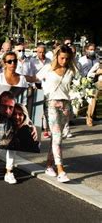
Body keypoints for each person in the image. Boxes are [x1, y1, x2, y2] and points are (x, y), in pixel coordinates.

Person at [36, 45, 77, 183]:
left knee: (58, 137)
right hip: (52, 104)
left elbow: (79, 84)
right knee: (58, 137)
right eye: (62, 58)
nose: (64, 61)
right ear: (56, 56)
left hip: (66, 105)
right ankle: (60, 170)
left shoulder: (72, 70)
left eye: (67, 58)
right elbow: (34, 78)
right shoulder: (48, 68)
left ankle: (49, 165)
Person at [87, 61, 102, 126]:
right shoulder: (98, 64)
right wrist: (97, 73)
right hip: (99, 83)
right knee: (92, 101)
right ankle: (89, 119)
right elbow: (89, 74)